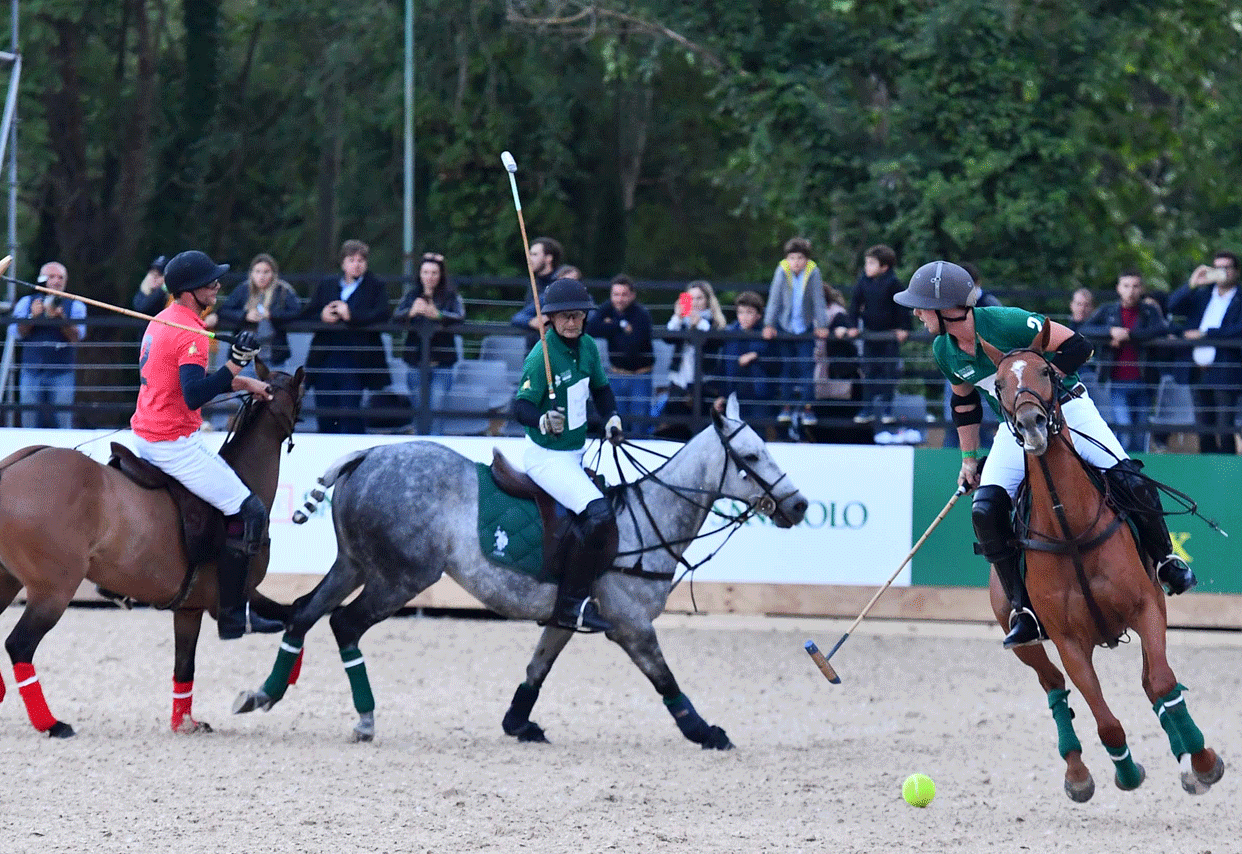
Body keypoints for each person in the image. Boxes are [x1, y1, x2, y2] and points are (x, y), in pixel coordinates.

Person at [894, 260, 1196, 649]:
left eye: (920, 306)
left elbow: (1077, 345)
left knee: (1129, 478)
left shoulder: (1008, 322)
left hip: (1068, 407)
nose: (916, 314)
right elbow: (964, 404)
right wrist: (969, 458)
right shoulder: (944, 349)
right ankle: (1024, 610)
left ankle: (1166, 560)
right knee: (985, 509)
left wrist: (1036, 387)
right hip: (1014, 427)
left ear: (947, 308)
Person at [129, 250, 281, 639]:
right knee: (250, 511)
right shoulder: (191, 333)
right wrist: (234, 364)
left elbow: (182, 381)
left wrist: (243, 380)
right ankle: (233, 615)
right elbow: (195, 394)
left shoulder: (165, 319)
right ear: (190, 290)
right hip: (173, 442)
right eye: (210, 280)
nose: (217, 285)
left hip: (147, 433)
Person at [510, 278, 623, 633]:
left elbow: (602, 391)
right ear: (552, 319)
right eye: (564, 317)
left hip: (576, 451)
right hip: (546, 456)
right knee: (599, 513)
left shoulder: (588, 346)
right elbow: (521, 407)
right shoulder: (539, 355)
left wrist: (612, 417)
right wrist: (542, 419)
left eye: (577, 316)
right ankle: (571, 603)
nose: (571, 323)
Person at [302, 239, 391, 434]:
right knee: (325, 411)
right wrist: (322, 316)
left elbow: (383, 314)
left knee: (351, 412)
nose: (356, 264)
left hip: (356, 360)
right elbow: (307, 314)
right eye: (351, 259)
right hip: (325, 358)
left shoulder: (375, 286)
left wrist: (351, 316)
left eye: (361, 260)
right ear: (343, 263)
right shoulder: (327, 284)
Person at [1077, 271, 1168, 453]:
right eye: (1126, 286)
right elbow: (1085, 328)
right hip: (1117, 381)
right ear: (1119, 288)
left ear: (1141, 289)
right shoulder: (1108, 310)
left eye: (1135, 286)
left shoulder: (1149, 311)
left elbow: (1161, 329)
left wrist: (1129, 335)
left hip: (1145, 381)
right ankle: (1123, 470)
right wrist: (1110, 332)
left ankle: (1140, 472)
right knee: (1124, 429)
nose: (1131, 291)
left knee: (1141, 433)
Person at [1167, 250, 1242, 455]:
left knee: (1225, 426)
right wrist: (1192, 283)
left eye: (1227, 267)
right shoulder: (1202, 295)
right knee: (1203, 425)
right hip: (1197, 369)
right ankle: (1207, 469)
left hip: (1225, 370)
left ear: (1236, 271)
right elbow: (1172, 306)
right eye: (1218, 267)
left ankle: (1227, 471)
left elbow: (1238, 329)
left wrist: (1206, 334)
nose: (1223, 272)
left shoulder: (1239, 298)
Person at [763, 237, 830, 428]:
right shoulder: (782, 271)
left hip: (805, 328)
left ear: (807, 259)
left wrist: (822, 324)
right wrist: (769, 324)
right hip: (786, 327)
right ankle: (786, 406)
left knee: (806, 369)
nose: (796, 262)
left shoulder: (813, 272)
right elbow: (774, 299)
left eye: (800, 258)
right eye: (792, 258)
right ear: (787, 259)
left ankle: (807, 408)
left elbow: (818, 300)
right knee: (786, 368)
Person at [393, 251, 464, 429]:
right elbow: (395, 317)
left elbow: (460, 317)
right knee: (418, 409)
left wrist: (438, 315)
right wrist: (411, 312)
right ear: (419, 274)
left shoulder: (450, 296)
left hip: (442, 363)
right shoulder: (411, 295)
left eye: (434, 273)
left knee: (436, 408)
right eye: (425, 272)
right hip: (415, 362)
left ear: (440, 275)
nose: (429, 277)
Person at [12, 261, 87, 429]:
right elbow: (17, 333)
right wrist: (33, 316)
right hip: (31, 372)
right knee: (29, 423)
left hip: (62, 374)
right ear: (42, 279)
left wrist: (60, 319)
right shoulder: (26, 302)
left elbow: (77, 337)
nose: (57, 281)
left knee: (63, 422)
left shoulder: (75, 304)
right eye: (52, 276)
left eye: (61, 277)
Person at [843, 244, 909, 425]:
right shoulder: (863, 282)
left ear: (884, 267)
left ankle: (887, 409)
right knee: (868, 372)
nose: (867, 267)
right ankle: (867, 409)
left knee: (889, 372)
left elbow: (902, 307)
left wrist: (904, 328)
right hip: (870, 335)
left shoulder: (893, 283)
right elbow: (854, 305)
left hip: (889, 336)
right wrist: (853, 326)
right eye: (867, 263)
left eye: (872, 263)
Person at [657, 280, 726, 440]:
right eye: (691, 298)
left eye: (699, 298)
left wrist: (700, 324)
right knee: (673, 432)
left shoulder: (714, 323)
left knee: (704, 435)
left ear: (708, 301)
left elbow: (717, 341)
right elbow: (667, 338)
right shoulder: (681, 322)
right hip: (679, 384)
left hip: (704, 386)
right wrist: (677, 317)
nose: (695, 303)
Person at [586, 274, 654, 435]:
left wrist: (609, 327)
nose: (619, 299)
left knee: (639, 423)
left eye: (624, 294)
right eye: (616, 294)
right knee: (616, 422)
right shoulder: (607, 308)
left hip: (640, 376)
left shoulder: (641, 314)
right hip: (616, 374)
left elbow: (633, 344)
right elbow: (591, 329)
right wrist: (620, 325)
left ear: (632, 295)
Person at [215, 253, 303, 370]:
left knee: (272, 388)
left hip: (273, 355)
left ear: (273, 273)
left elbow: (298, 312)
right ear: (251, 273)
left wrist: (272, 315)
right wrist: (245, 315)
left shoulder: (283, 290)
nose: (262, 276)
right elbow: (224, 310)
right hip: (244, 355)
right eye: (257, 272)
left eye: (266, 272)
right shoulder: (243, 289)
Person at [716, 291, 774, 423]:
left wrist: (756, 355)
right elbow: (724, 366)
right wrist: (722, 395)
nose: (744, 317)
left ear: (758, 315)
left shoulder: (765, 334)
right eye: (740, 312)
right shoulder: (730, 334)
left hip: (758, 395)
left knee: (757, 431)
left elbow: (775, 362)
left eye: (749, 312)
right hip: (734, 395)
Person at [510, 236, 563, 349]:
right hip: (534, 346)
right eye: (529, 254)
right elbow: (519, 317)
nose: (529, 258)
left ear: (548, 258)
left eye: (534, 255)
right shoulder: (534, 282)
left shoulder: (559, 283)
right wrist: (532, 321)